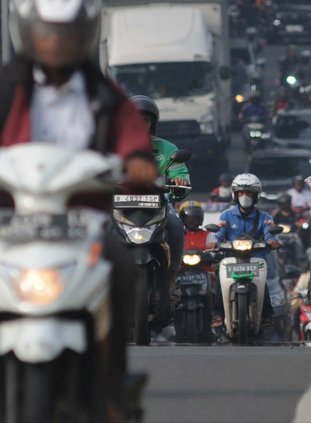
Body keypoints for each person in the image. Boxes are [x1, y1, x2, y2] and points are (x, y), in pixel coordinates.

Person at [1, 0, 157, 417]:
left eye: (67, 35)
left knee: (120, 265)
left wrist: (138, 159)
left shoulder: (103, 94)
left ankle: (113, 387)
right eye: (48, 33)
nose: (56, 43)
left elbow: (130, 133)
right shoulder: (4, 89)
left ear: (84, 36)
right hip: (9, 221)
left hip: (81, 223)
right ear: (28, 32)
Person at [130, 94, 190, 333]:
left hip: (159, 208)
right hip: (121, 210)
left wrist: (177, 181)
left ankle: (172, 279)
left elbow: (182, 177)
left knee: (176, 226)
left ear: (152, 123)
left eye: (145, 121)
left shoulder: (168, 149)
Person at [211, 173, 279, 329]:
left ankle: (266, 315)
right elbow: (218, 234)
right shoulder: (226, 215)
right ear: (235, 195)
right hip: (231, 259)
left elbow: (270, 233)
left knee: (263, 283)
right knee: (220, 283)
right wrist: (215, 243)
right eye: (241, 193)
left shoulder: (265, 217)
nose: (245, 196)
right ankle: (217, 314)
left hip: (256, 259)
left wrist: (272, 241)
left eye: (249, 193)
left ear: (256, 196)